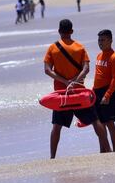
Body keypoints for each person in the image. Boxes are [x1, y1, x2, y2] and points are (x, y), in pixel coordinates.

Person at [43, 19, 111, 158]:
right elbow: (86, 69)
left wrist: (65, 82)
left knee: (57, 126)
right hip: (79, 93)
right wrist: (74, 82)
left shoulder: (52, 48)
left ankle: (52, 157)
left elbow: (47, 70)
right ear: (72, 31)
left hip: (62, 95)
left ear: (59, 31)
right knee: (95, 121)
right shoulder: (79, 47)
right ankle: (108, 150)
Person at [93, 29, 115, 152]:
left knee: (110, 123)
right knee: (100, 123)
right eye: (99, 40)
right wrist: (92, 92)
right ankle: (103, 150)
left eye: (103, 40)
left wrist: (107, 95)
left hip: (108, 92)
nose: (100, 43)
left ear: (110, 41)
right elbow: (98, 76)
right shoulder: (99, 56)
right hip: (97, 92)